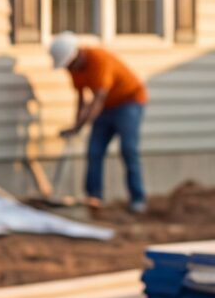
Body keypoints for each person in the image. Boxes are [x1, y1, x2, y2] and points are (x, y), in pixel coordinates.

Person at [50, 32, 148, 213]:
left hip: (129, 101)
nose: (67, 68)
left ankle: (138, 198)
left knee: (128, 150)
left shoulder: (99, 60)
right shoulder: (74, 70)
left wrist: (80, 126)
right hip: (105, 107)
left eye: (68, 64)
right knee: (94, 150)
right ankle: (94, 197)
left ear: (76, 55)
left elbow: (98, 98)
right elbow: (81, 100)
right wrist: (75, 125)